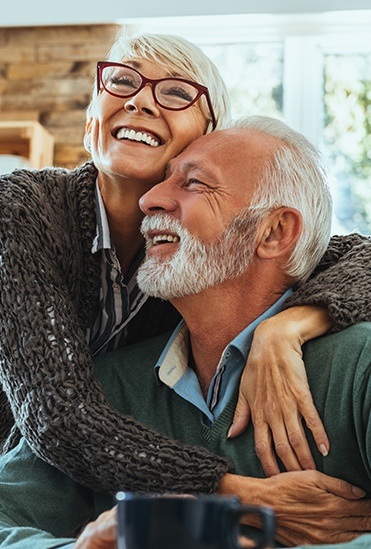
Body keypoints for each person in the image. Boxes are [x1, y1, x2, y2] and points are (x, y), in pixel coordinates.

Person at [0, 28, 370, 496]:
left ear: (209, 136)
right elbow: (57, 415)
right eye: (120, 82)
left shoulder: (206, 252)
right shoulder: (21, 210)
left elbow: (346, 253)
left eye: (175, 92)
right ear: (91, 117)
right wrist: (231, 493)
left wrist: (288, 326)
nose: (140, 102)